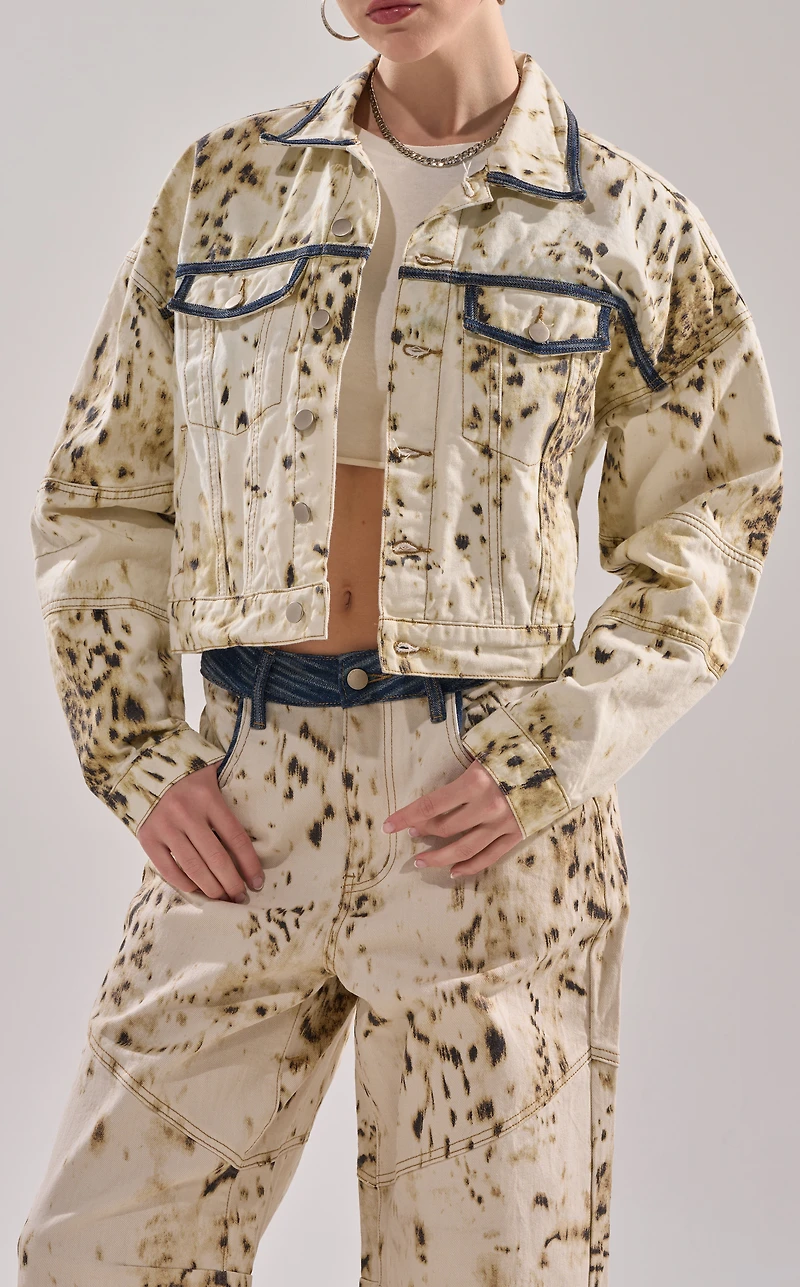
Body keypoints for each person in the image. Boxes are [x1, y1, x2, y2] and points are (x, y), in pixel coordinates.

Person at [19, 0, 783, 1283]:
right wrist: (137, 750)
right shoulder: (223, 187)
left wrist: (550, 754)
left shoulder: (625, 220)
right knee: (89, 1255)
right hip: (243, 802)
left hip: (483, 827)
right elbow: (103, 493)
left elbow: (717, 511)